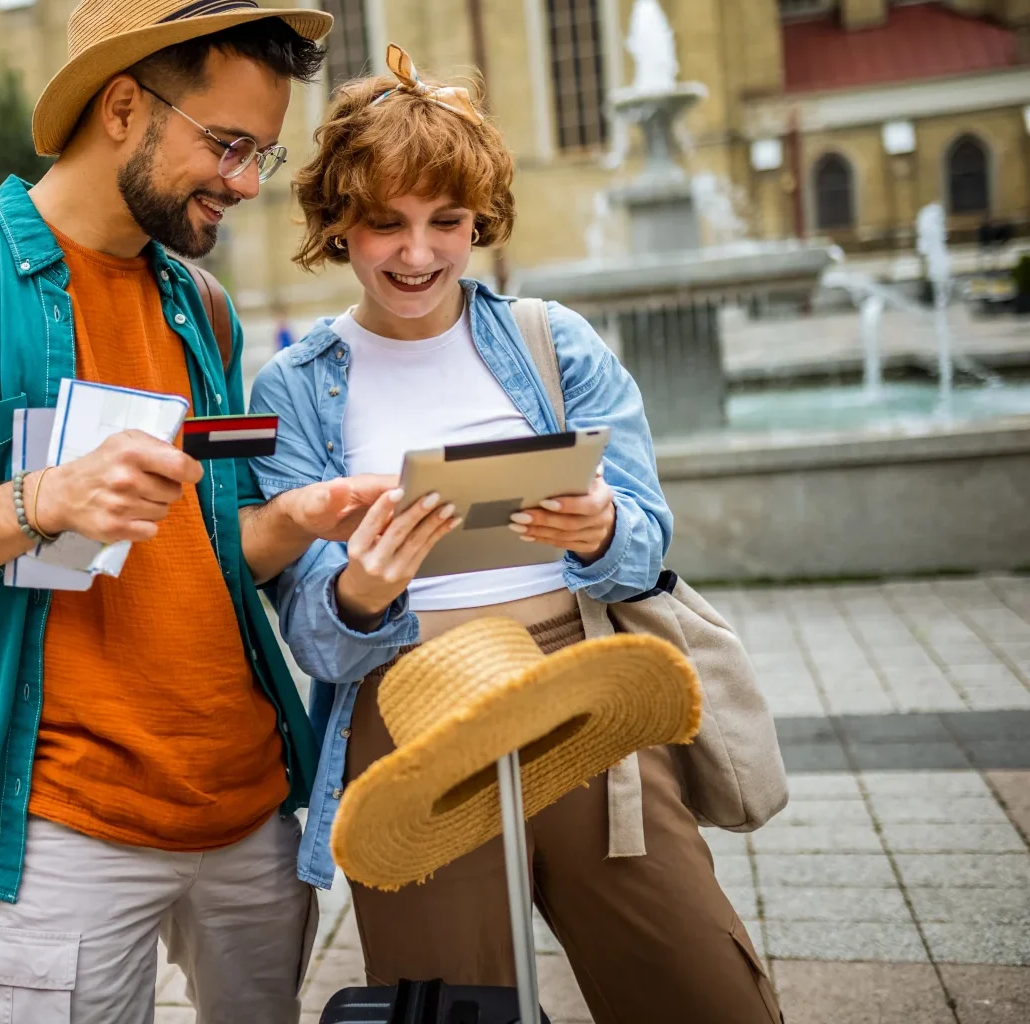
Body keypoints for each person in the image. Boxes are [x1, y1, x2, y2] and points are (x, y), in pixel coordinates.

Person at [0, 4, 392, 1021]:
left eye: (263, 150)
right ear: (123, 105)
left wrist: (298, 522)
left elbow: (211, 554)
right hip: (63, 827)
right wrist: (37, 501)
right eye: (225, 144)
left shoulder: (202, 307)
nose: (247, 183)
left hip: (254, 806)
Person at [249, 47, 784, 1023]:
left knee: (707, 993)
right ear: (337, 224)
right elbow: (314, 639)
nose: (417, 253)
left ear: (479, 220)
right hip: (408, 702)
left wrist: (599, 525)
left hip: (583, 686)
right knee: (455, 1007)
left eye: (444, 221)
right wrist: (362, 589)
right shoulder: (293, 388)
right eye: (385, 224)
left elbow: (645, 545)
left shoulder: (550, 339)